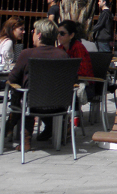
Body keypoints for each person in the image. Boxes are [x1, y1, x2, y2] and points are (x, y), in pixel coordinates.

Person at [4, 19, 69, 152]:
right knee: (32, 95)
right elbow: (72, 79)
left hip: (33, 103)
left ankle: (24, 139)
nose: (32, 34)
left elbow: (12, 78)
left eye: (34, 32)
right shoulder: (63, 55)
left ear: (39, 35)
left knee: (25, 93)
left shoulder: (27, 54)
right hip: (59, 104)